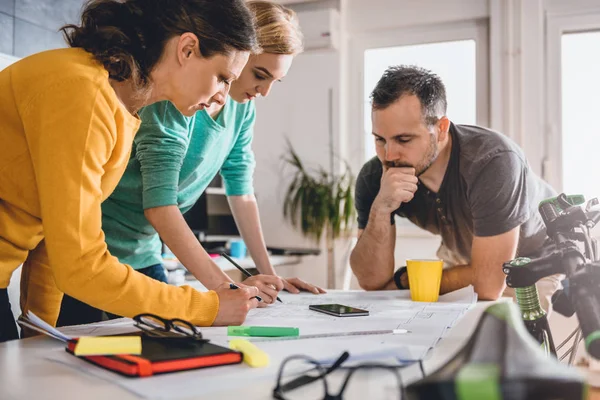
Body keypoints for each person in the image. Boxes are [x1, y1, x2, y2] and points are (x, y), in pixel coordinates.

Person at [0, 0, 262, 342]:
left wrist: (39, 333)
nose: (223, 97)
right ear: (187, 49)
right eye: (222, 78)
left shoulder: (122, 108)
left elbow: (52, 240)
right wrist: (206, 307)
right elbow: (81, 265)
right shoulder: (86, 93)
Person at [349, 65, 561, 310]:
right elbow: (371, 281)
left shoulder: (492, 161)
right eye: (379, 139)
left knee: (515, 342)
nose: (389, 154)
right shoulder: (375, 176)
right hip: (464, 255)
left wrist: (405, 280)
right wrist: (381, 208)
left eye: (404, 139)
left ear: (440, 130)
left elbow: (488, 284)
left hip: (533, 259)